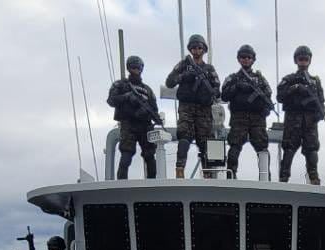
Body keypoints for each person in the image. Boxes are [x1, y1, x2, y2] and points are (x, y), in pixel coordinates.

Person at [166, 34, 221, 178]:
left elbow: (217, 88)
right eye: (194, 47)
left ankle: (208, 173)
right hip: (187, 107)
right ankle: (180, 168)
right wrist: (184, 76)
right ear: (190, 49)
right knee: (184, 135)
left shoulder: (209, 69)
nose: (196, 50)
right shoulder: (183, 64)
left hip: (204, 109)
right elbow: (170, 82)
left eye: (199, 47)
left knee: (205, 141)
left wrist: (212, 92)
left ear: (203, 50)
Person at [220, 44, 274, 178]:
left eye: (248, 57)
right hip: (239, 117)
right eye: (243, 57)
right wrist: (237, 87)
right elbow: (224, 95)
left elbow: (268, 95)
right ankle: (231, 176)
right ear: (239, 59)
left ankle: (265, 177)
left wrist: (266, 109)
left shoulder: (260, 79)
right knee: (235, 146)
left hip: (257, 118)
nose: (246, 60)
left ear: (253, 59)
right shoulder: (233, 78)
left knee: (262, 148)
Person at [276, 45, 325, 184]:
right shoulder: (289, 79)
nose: (303, 61)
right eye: (300, 59)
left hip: (310, 121)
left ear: (309, 60)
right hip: (293, 119)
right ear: (296, 60)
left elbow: (321, 101)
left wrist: (320, 114)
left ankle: (314, 178)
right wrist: (295, 88)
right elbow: (280, 96)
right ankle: (284, 178)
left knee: (312, 149)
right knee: (289, 148)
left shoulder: (315, 82)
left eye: (305, 59)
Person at [106, 55, 162, 179]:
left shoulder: (147, 90)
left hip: (145, 126)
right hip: (129, 124)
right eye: (133, 67)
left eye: (138, 67)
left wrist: (148, 113)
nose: (136, 70)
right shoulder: (120, 85)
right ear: (128, 68)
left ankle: (152, 185)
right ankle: (121, 186)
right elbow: (111, 100)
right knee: (126, 155)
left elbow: (154, 109)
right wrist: (127, 97)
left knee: (149, 156)